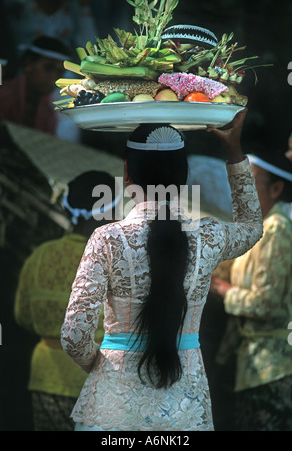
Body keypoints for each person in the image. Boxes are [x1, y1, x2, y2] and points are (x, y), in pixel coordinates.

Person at [60, 111, 263, 432]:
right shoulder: (209, 235)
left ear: (127, 172)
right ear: (183, 176)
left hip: (113, 409)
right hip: (185, 411)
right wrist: (234, 152)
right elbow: (252, 225)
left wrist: (105, 367)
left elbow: (74, 337)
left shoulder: (107, 239)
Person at [14, 170, 120, 431]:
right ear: (106, 213)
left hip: (44, 377)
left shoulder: (40, 256)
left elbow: (22, 316)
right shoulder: (111, 260)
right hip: (94, 379)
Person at [211, 149, 292, 431]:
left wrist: (221, 289)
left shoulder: (276, 230)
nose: (240, 190)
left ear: (276, 189)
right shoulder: (257, 228)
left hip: (270, 368)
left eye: (249, 182)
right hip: (250, 365)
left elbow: (265, 302)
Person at [0, 35, 70, 135]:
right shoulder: (3, 97)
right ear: (28, 64)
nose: (54, 77)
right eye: (48, 68)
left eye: (59, 72)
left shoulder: (48, 115)